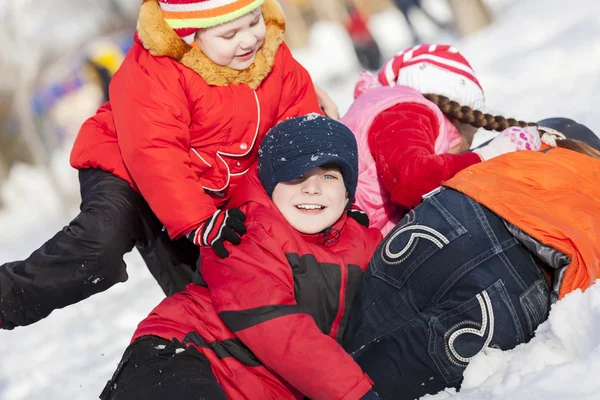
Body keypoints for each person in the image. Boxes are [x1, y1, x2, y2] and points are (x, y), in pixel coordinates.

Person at [0, 0, 327, 331]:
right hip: (126, 165)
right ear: (190, 36)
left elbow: (299, 131)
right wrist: (199, 220)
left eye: (254, 21)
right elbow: (154, 151)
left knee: (214, 294)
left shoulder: (271, 55)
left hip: (198, 184)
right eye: (229, 34)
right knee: (102, 245)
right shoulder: (154, 71)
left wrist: (323, 187)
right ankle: (6, 298)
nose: (248, 40)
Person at [100, 115, 383, 400]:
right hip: (185, 353)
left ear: (348, 191)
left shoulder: (364, 244)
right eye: (297, 175)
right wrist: (354, 393)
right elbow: (278, 328)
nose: (312, 188)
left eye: (329, 176)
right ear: (271, 186)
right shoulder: (246, 232)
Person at [341, 118, 600, 400]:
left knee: (338, 363)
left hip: (454, 211)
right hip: (527, 273)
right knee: (374, 388)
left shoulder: (543, 145)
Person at [341, 44, 542, 236]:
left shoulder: (394, 109)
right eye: (469, 141)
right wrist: (488, 155)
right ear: (458, 120)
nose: (462, 152)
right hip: (361, 250)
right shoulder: (403, 111)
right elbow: (413, 181)